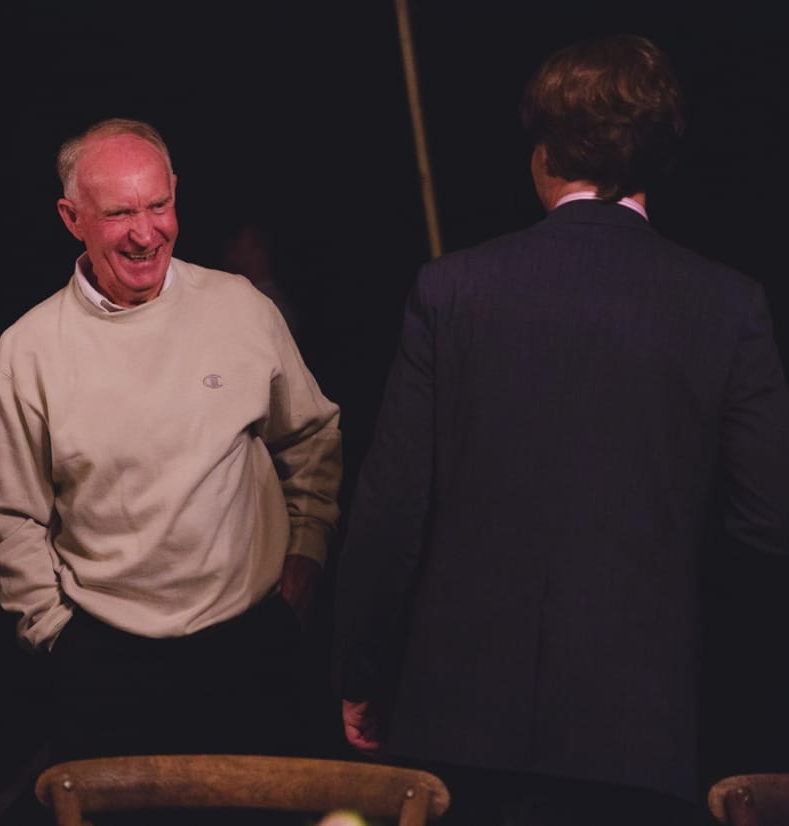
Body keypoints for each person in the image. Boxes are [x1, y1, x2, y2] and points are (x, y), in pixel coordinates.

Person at [332, 34, 789, 826]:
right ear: (654, 162)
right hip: (641, 731)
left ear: (545, 154)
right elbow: (767, 525)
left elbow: (390, 508)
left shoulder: (453, 289)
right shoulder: (729, 306)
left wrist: (361, 671)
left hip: (458, 723)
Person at [0, 117, 342, 774]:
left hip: (255, 644)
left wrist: (307, 553)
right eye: (119, 213)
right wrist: (58, 638)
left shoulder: (242, 308)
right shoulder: (28, 351)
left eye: (159, 205)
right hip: (110, 670)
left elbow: (311, 438)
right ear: (71, 217)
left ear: (176, 192)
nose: (147, 233)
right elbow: (9, 521)